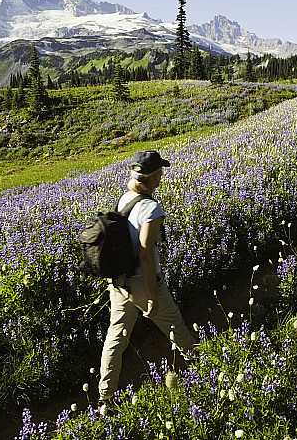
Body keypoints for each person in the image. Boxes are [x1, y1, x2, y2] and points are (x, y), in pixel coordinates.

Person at [98, 150, 194, 409]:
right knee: (175, 327)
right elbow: (145, 255)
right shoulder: (151, 208)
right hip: (142, 282)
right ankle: (204, 368)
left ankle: (105, 397)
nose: (162, 175)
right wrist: (151, 294)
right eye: (160, 172)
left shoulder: (125, 198)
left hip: (120, 281)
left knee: (116, 337)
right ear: (154, 176)